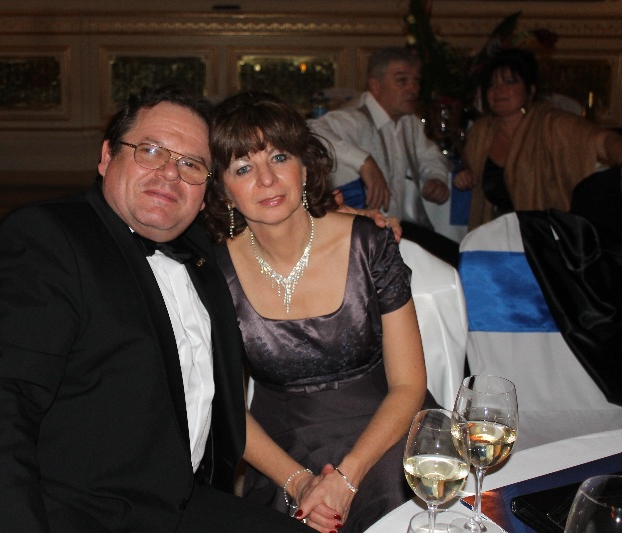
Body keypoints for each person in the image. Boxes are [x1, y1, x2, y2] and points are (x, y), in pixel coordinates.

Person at [0, 86, 313, 533]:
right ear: (106, 157)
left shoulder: (201, 249)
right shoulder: (48, 239)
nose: (170, 173)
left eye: (191, 164)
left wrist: (355, 221)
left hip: (185, 503)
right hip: (74, 514)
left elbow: (276, 228)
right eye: (150, 150)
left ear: (206, 191)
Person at [203, 91, 438, 532]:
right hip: (283, 449)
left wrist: (346, 479)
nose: (267, 179)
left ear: (305, 168)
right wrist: (299, 482)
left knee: (392, 505)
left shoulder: (369, 244)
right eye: (243, 168)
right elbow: (225, 404)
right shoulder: (214, 271)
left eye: (279, 157)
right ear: (224, 192)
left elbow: (409, 385)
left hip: (386, 431)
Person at [309, 47, 458, 266]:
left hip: (395, 228)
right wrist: (364, 162)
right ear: (375, 85)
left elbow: (430, 155)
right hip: (358, 236)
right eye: (402, 80)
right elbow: (311, 131)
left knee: (457, 258)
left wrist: (435, 177)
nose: (413, 89)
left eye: (416, 81)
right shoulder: (355, 117)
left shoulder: (409, 122)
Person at [454, 48, 622, 230]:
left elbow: (603, 141)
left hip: (549, 236)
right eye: (492, 84)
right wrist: (466, 175)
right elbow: (469, 163)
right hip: (498, 233)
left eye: (509, 82)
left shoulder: (552, 124)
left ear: (531, 90)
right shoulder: (482, 132)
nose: (498, 90)